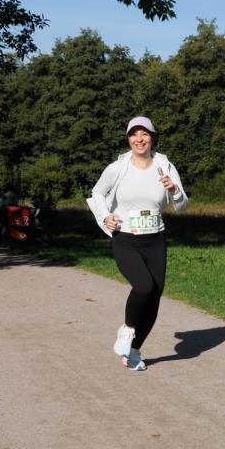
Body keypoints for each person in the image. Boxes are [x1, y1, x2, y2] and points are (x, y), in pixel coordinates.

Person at [87, 116, 189, 371]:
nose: (139, 139)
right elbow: (97, 193)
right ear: (128, 139)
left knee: (154, 295)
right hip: (126, 239)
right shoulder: (118, 167)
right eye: (134, 135)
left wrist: (174, 189)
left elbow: (183, 205)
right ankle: (127, 330)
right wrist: (105, 216)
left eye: (144, 134)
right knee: (143, 287)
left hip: (155, 239)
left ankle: (133, 351)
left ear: (152, 137)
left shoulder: (164, 165)